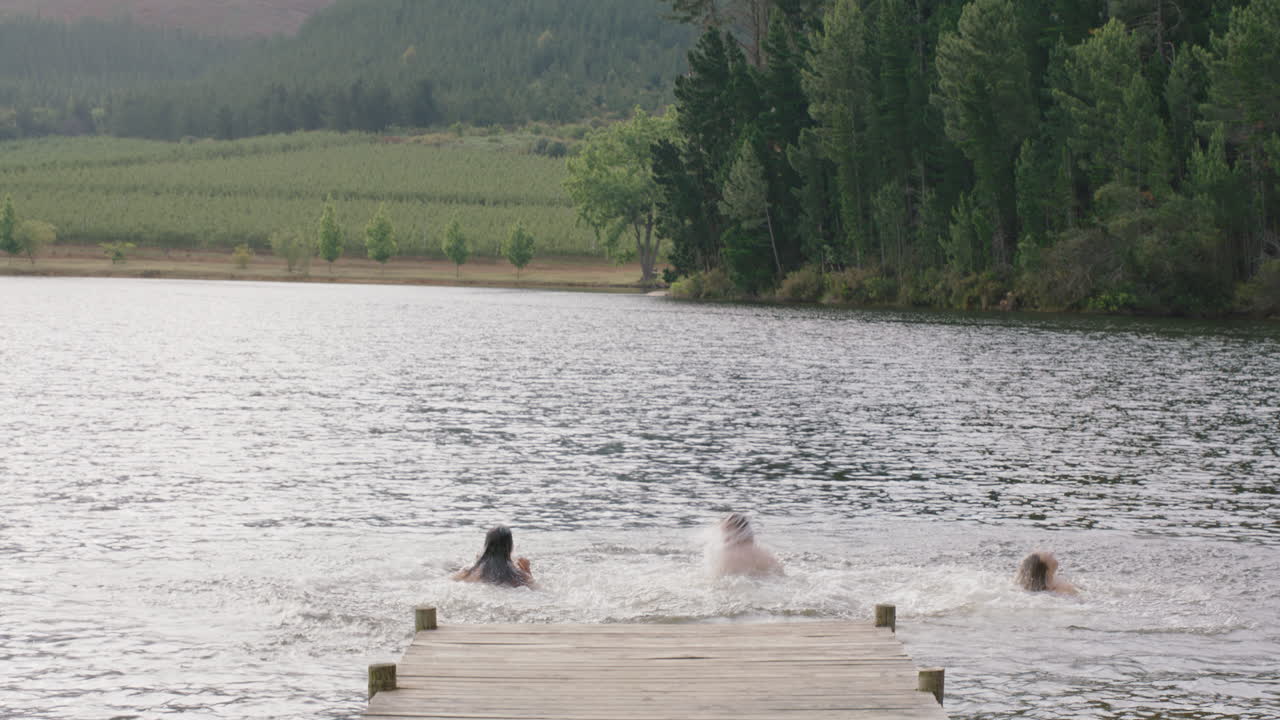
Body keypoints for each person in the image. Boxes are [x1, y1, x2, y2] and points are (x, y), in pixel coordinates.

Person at [453, 525, 534, 588]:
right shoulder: (518, 575)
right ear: (510, 546)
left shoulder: (470, 571)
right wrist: (527, 570)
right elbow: (534, 588)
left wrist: (476, 563)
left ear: (487, 545)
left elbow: (452, 580)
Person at [709, 512, 784, 578]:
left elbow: (717, 578)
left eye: (724, 532)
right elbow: (780, 574)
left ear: (729, 532)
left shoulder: (726, 554)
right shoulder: (764, 552)